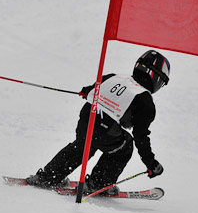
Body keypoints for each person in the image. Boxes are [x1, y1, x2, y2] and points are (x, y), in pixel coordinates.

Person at [26, 50, 169, 194]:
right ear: (156, 77)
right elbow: (141, 136)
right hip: (105, 131)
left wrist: (85, 92)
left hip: (86, 119)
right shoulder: (145, 101)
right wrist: (151, 163)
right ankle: (98, 183)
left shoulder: (115, 77)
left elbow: (89, 90)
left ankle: (49, 176)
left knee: (83, 146)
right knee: (124, 147)